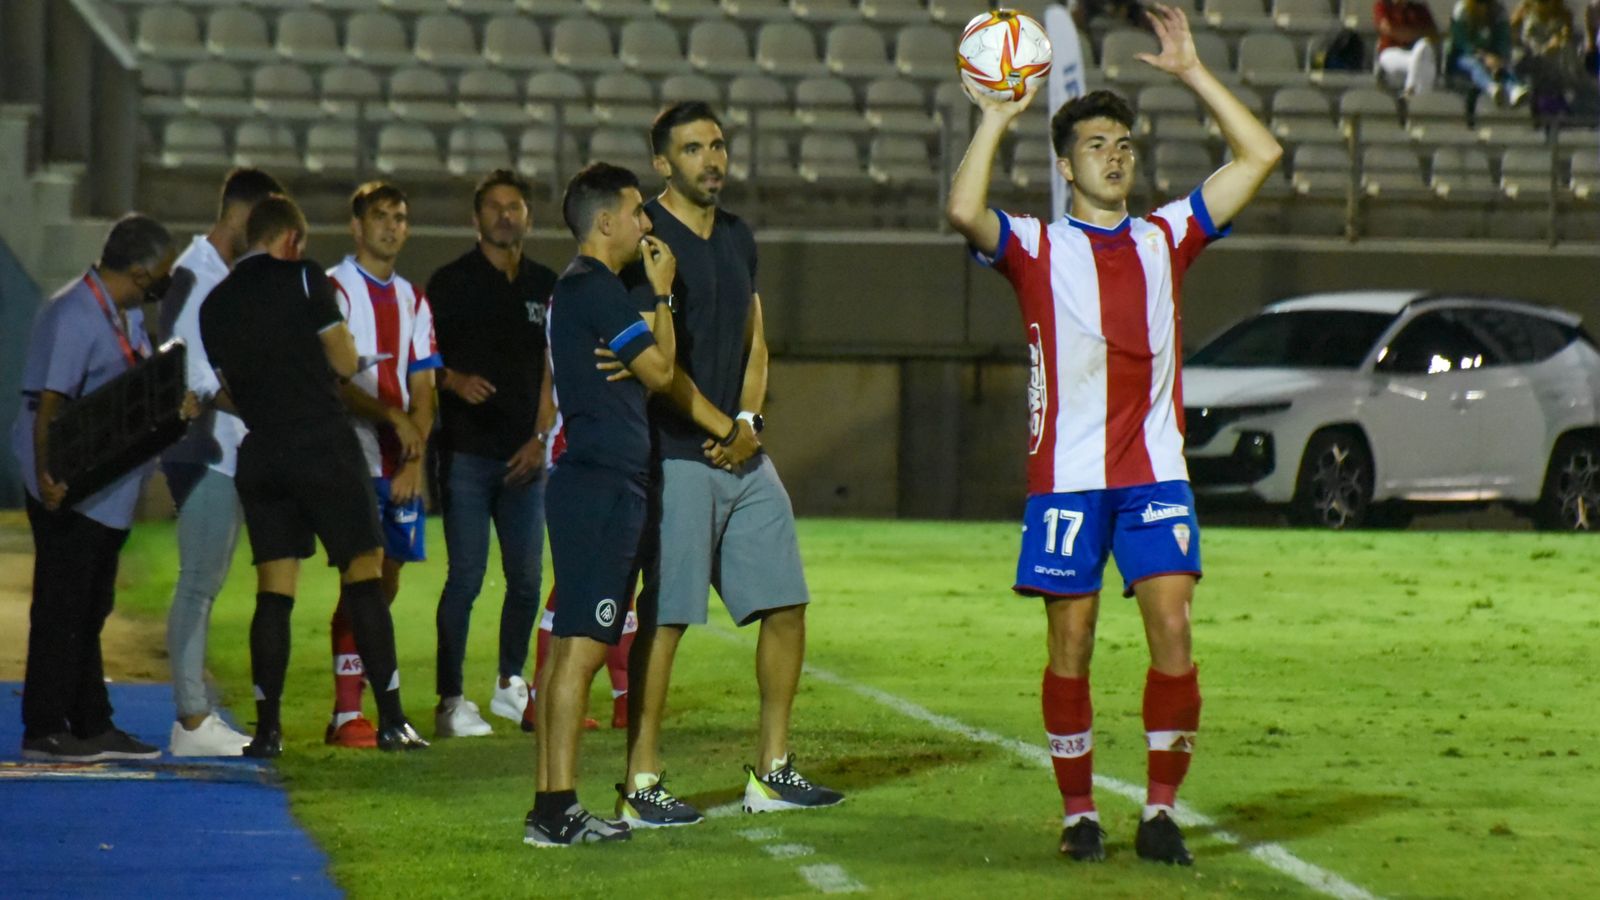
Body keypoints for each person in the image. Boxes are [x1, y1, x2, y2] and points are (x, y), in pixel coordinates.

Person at [945, 4, 1281, 865]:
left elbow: (1262, 156)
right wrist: (994, 115)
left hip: (1154, 473)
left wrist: (1196, 72)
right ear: (1065, 166)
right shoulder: (1034, 246)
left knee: (1174, 629)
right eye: (1096, 143)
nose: (1116, 152)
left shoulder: (1167, 234)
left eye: (1123, 142)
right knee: (1073, 643)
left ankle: (1161, 812)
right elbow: (962, 208)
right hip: (1065, 479)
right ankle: (1079, 813)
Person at [609, 102, 844, 831]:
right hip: (673, 454)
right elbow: (654, 364)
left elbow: (756, 339)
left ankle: (772, 771)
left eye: (717, 145)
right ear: (662, 163)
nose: (712, 159)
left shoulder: (739, 236)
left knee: (787, 604)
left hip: (742, 452)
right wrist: (722, 428)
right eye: (692, 148)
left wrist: (748, 425)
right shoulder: (642, 238)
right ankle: (640, 780)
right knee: (669, 617)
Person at [200, 194, 428, 757]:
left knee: (274, 592)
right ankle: (393, 720)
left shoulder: (216, 304)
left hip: (263, 453)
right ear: (292, 240)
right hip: (323, 446)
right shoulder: (305, 278)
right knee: (364, 573)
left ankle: (269, 730)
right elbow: (346, 362)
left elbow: (228, 389)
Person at [525, 163, 678, 848]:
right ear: (607, 221)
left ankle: (551, 807)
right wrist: (663, 298)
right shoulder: (598, 289)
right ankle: (556, 810)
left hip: (585, 482)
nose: (646, 224)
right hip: (604, 485)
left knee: (568, 651)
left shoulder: (578, 291)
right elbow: (662, 373)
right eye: (637, 212)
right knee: (584, 652)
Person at [12, 214, 179, 761]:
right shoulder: (74, 314)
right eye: (161, 272)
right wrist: (47, 475)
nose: (164, 281)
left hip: (100, 481)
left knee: (90, 606)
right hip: (67, 478)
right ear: (138, 270)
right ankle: (44, 727)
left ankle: (90, 723)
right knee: (63, 607)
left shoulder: (123, 314)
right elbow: (48, 406)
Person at [426, 169, 559, 738]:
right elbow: (422, 361)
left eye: (515, 206)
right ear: (476, 217)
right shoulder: (449, 283)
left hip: (525, 458)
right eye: (496, 206)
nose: (506, 215)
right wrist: (453, 380)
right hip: (467, 454)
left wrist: (539, 438)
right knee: (466, 579)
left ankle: (510, 682)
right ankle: (450, 699)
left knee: (527, 580)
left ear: (528, 216)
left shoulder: (547, 284)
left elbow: (553, 372)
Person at [157, 167, 283, 758]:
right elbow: (191, 373)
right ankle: (190, 717)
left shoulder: (220, 274)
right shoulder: (196, 274)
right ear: (240, 214)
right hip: (204, 449)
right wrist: (266, 409)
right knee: (198, 582)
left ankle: (193, 714)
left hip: (224, 449)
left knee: (204, 580)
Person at [323, 181, 440, 747]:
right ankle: (348, 713)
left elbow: (425, 385)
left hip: (398, 466)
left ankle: (360, 705)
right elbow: (335, 381)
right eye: (380, 216)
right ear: (356, 225)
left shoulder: (414, 299)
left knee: (384, 584)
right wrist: (393, 418)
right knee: (362, 577)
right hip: (349, 458)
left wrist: (414, 455)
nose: (392, 226)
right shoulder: (334, 291)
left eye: (400, 216)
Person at [1449, 0, 1531, 105]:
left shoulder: (1498, 11)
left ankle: (1514, 88)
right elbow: (1461, 41)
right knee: (1475, 65)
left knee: (1501, 66)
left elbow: (1503, 39)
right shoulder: (1462, 9)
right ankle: (1491, 87)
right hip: (1463, 55)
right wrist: (1483, 56)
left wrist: (1498, 57)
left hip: (1491, 55)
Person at [1510, 0, 1577, 111]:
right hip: (1532, 53)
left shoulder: (1562, 14)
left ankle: (1562, 94)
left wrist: (1562, 37)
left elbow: (1567, 36)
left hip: (1554, 56)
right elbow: (1516, 33)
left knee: (1566, 50)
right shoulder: (1527, 12)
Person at [1375, 0, 1443, 95]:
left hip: (1414, 51)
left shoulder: (1419, 8)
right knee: (1421, 59)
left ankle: (1410, 92)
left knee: (1422, 48)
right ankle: (1415, 94)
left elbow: (1433, 33)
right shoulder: (1384, 5)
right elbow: (1388, 29)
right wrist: (1416, 34)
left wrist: (1406, 34)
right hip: (1390, 52)